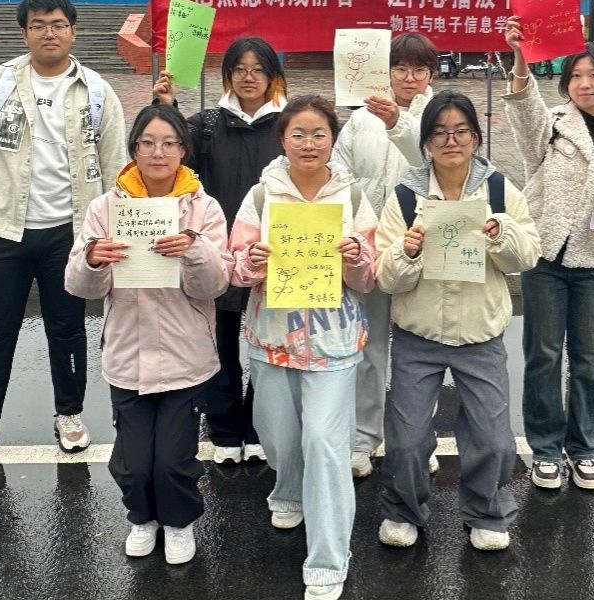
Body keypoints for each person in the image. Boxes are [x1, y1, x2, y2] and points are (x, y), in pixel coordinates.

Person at [0, 0, 126, 469]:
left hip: (70, 234)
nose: (48, 33)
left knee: (67, 329)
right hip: (3, 230)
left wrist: (115, 231)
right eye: (38, 25)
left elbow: (116, 166)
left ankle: (69, 415)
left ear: (73, 31)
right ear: (24, 33)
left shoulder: (96, 91)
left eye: (57, 24)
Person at [64, 104, 231, 564]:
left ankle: (178, 522)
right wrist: (93, 259)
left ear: (183, 150)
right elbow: (79, 286)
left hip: (185, 354)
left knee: (173, 459)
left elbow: (215, 285)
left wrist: (194, 249)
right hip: (127, 353)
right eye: (148, 143)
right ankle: (142, 518)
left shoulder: (204, 208)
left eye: (170, 143)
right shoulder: (106, 207)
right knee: (134, 461)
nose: (159, 153)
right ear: (134, 148)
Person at [374, 91, 541, 551]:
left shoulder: (499, 191)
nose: (451, 141)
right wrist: (406, 251)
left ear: (476, 137)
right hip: (419, 333)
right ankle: (403, 510)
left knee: (493, 439)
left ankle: (487, 512)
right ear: (426, 140)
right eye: (440, 132)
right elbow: (385, 276)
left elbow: (528, 255)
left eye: (461, 131)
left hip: (479, 333)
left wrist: (501, 233)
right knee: (407, 439)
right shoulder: (405, 196)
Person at [229, 95, 376, 600]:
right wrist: (252, 261)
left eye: (319, 134)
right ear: (282, 140)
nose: (308, 143)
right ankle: (288, 487)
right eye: (298, 134)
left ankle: (329, 559)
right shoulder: (261, 196)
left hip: (333, 341)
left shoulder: (352, 197)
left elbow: (368, 278)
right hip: (272, 335)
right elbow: (236, 268)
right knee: (278, 434)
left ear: (333, 139)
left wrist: (356, 258)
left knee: (325, 444)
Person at [502, 21, 594, 492]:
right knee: (543, 356)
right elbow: (524, 111)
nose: (585, 84)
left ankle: (584, 448)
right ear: (565, 83)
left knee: (589, 360)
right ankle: (546, 450)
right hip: (545, 261)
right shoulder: (550, 127)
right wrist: (521, 56)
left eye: (593, 76)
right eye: (575, 76)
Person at [154, 36, 288, 465]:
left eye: (259, 69)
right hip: (216, 251)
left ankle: (258, 425)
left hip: (270, 254)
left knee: (269, 345)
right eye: (240, 69)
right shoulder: (207, 124)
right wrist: (168, 108)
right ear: (227, 75)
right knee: (220, 345)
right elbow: (174, 157)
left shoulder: (287, 126)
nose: (249, 78)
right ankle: (225, 428)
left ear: (272, 76)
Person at [330, 32, 439, 479]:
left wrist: (400, 123)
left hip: (423, 247)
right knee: (371, 348)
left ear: (431, 74)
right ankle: (363, 438)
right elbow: (340, 175)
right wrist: (351, 232)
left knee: (421, 353)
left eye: (419, 69)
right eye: (400, 68)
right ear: (386, 70)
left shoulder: (440, 114)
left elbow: (436, 162)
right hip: (372, 248)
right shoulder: (361, 119)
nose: (409, 78)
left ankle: (418, 440)